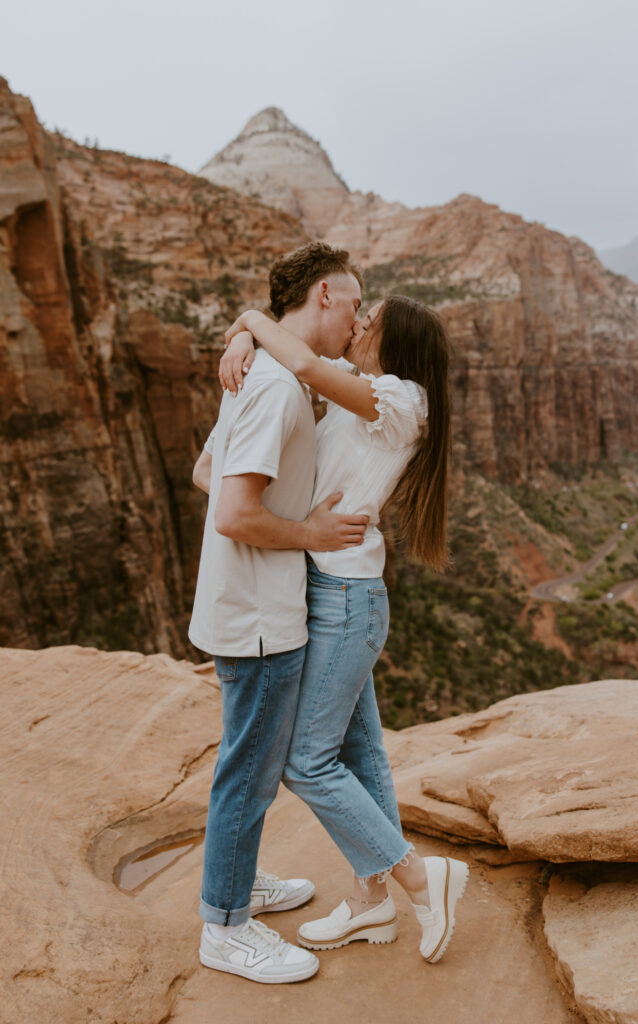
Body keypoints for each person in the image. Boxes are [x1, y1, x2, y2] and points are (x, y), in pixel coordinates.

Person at [219, 292, 469, 966]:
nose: (358, 324)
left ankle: (417, 875)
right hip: (326, 591)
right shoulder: (371, 392)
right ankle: (370, 902)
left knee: (307, 761)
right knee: (360, 755)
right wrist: (244, 343)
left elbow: (301, 357)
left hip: (345, 599)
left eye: (372, 320)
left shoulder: (401, 401)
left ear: (397, 343)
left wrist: (246, 320)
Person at [189, 242, 371, 984]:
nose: (359, 317)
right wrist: (306, 533)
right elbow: (234, 511)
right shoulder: (274, 389)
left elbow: (207, 470)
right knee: (250, 774)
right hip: (261, 615)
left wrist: (243, 330)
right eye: (355, 302)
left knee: (250, 765)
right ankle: (225, 928)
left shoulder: (258, 374)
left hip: (245, 603)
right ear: (324, 294)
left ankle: (238, 881)